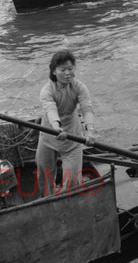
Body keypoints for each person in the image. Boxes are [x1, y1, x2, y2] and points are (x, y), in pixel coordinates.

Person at [36, 50, 96, 197]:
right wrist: (57, 128)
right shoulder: (47, 90)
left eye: (70, 69)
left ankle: (67, 201)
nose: (68, 73)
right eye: (63, 70)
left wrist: (90, 131)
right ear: (54, 71)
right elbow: (51, 111)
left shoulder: (79, 87)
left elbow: (87, 109)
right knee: (44, 173)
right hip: (50, 132)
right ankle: (47, 198)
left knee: (73, 183)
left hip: (72, 135)